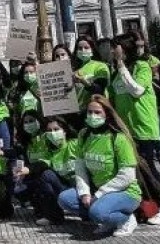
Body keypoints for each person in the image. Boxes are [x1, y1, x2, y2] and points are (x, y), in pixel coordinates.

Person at [57, 96, 142, 237]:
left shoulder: (118, 138)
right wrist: (84, 192)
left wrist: (99, 194)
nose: (92, 116)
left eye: (97, 112)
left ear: (107, 114)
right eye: (89, 112)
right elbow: (80, 168)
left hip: (125, 191)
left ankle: (126, 219)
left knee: (97, 213)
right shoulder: (84, 135)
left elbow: (127, 176)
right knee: (64, 199)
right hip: (97, 191)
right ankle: (106, 217)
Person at [108, 32, 160, 187]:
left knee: (146, 166)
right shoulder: (116, 73)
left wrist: (121, 65)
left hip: (143, 126)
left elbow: (136, 90)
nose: (112, 51)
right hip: (125, 127)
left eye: (115, 48)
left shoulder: (142, 67)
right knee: (133, 168)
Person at [31, 116, 78, 225]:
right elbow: (42, 163)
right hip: (67, 188)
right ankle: (53, 216)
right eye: (49, 131)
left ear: (65, 131)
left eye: (56, 129)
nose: (52, 133)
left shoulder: (75, 144)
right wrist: (27, 169)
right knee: (46, 175)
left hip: (86, 188)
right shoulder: (50, 152)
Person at [73, 37, 110, 110]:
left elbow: (99, 90)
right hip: (79, 112)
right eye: (80, 48)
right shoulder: (74, 70)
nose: (83, 50)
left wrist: (83, 81)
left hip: (97, 109)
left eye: (86, 47)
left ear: (92, 49)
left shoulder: (100, 66)